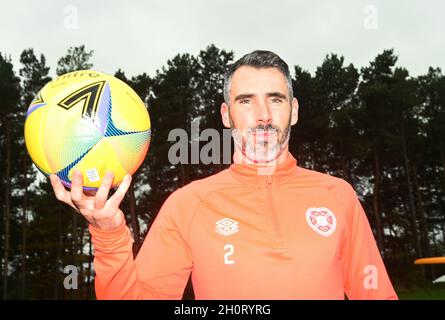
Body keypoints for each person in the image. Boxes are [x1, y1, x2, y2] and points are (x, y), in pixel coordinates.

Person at [49, 50, 398, 300]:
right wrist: (108, 234)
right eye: (246, 101)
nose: (262, 115)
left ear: (293, 111)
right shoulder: (188, 204)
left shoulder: (337, 196)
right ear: (227, 115)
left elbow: (375, 293)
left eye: (275, 99)